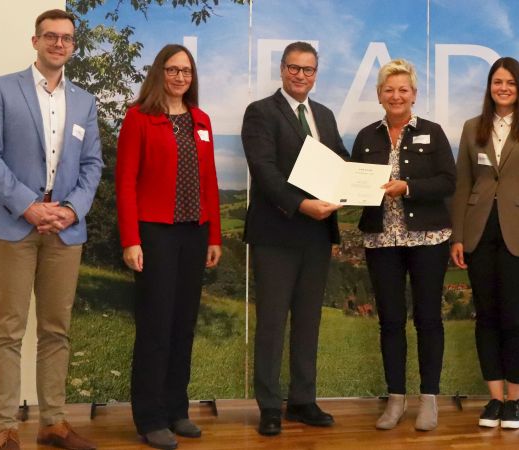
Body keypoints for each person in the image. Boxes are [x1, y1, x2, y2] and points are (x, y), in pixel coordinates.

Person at [0, 9, 102, 450]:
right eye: (51, 36)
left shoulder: (84, 101)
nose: (58, 44)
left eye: (66, 38)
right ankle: (6, 427)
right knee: (8, 329)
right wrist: (28, 206)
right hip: (11, 226)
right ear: (35, 41)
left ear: (73, 46)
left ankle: (53, 423)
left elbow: (92, 166)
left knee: (56, 329)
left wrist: (71, 210)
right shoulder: (1, 89)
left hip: (64, 231)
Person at [115, 44, 222, 450]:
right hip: (154, 233)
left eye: (187, 72)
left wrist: (214, 235)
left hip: (194, 234)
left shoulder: (201, 120)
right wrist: (131, 239)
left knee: (184, 325)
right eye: (173, 70)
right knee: (156, 327)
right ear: (159, 72)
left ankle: (177, 409)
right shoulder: (139, 118)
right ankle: (150, 417)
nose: (180, 77)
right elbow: (125, 182)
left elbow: (209, 180)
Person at [241, 41, 348, 437]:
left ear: (316, 74)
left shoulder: (324, 115)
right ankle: (270, 405)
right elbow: (264, 171)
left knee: (309, 321)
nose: (301, 75)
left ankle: (303, 400)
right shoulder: (261, 113)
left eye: (308, 69)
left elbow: (340, 161)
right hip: (277, 232)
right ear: (282, 69)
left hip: (317, 235)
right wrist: (301, 205)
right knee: (271, 322)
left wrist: (362, 182)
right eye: (294, 68)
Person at [449, 57, 519, 431]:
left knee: (516, 318)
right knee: (487, 317)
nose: (504, 88)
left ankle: (515, 399)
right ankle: (494, 399)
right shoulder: (471, 128)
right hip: (479, 234)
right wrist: (458, 236)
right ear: (489, 86)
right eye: (498, 81)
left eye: (510, 82)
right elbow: (463, 185)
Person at [349, 59, 455, 432]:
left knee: (428, 318)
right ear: (379, 95)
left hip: (428, 239)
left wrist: (408, 187)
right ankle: (396, 398)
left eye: (403, 90)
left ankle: (429, 399)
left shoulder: (433, 132)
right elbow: (353, 184)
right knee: (390, 321)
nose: (396, 96)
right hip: (381, 240)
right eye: (388, 90)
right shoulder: (366, 137)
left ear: (414, 94)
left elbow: (448, 181)